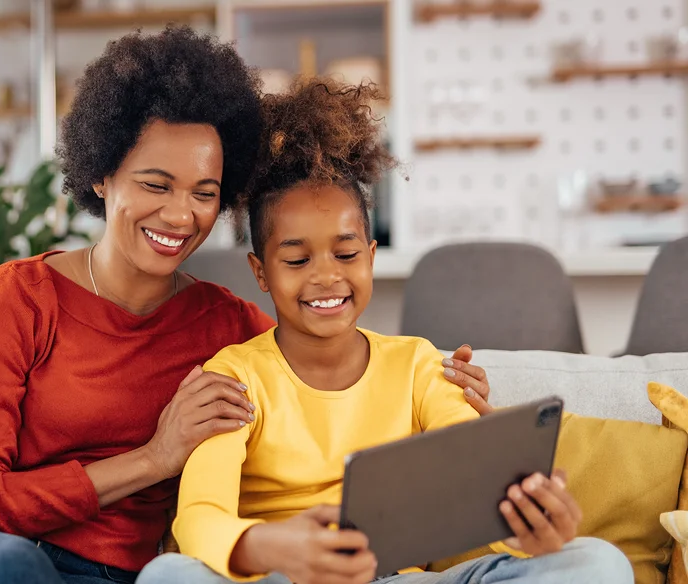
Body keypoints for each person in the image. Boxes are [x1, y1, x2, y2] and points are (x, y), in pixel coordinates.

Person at [0, 29, 491, 584]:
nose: (179, 214)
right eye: (155, 185)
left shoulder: (228, 329)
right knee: (15, 569)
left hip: (115, 574)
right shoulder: (19, 298)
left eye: (204, 192)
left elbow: (328, 357)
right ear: (101, 176)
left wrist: (445, 388)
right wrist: (152, 460)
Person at [136, 80, 633, 584]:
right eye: (296, 259)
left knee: (598, 562)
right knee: (168, 575)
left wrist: (532, 527)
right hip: (278, 577)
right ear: (261, 271)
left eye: (347, 254)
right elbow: (199, 518)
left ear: (370, 258)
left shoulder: (419, 365)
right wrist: (278, 547)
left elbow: (475, 484)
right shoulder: (234, 377)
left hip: (396, 579)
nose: (326, 275)